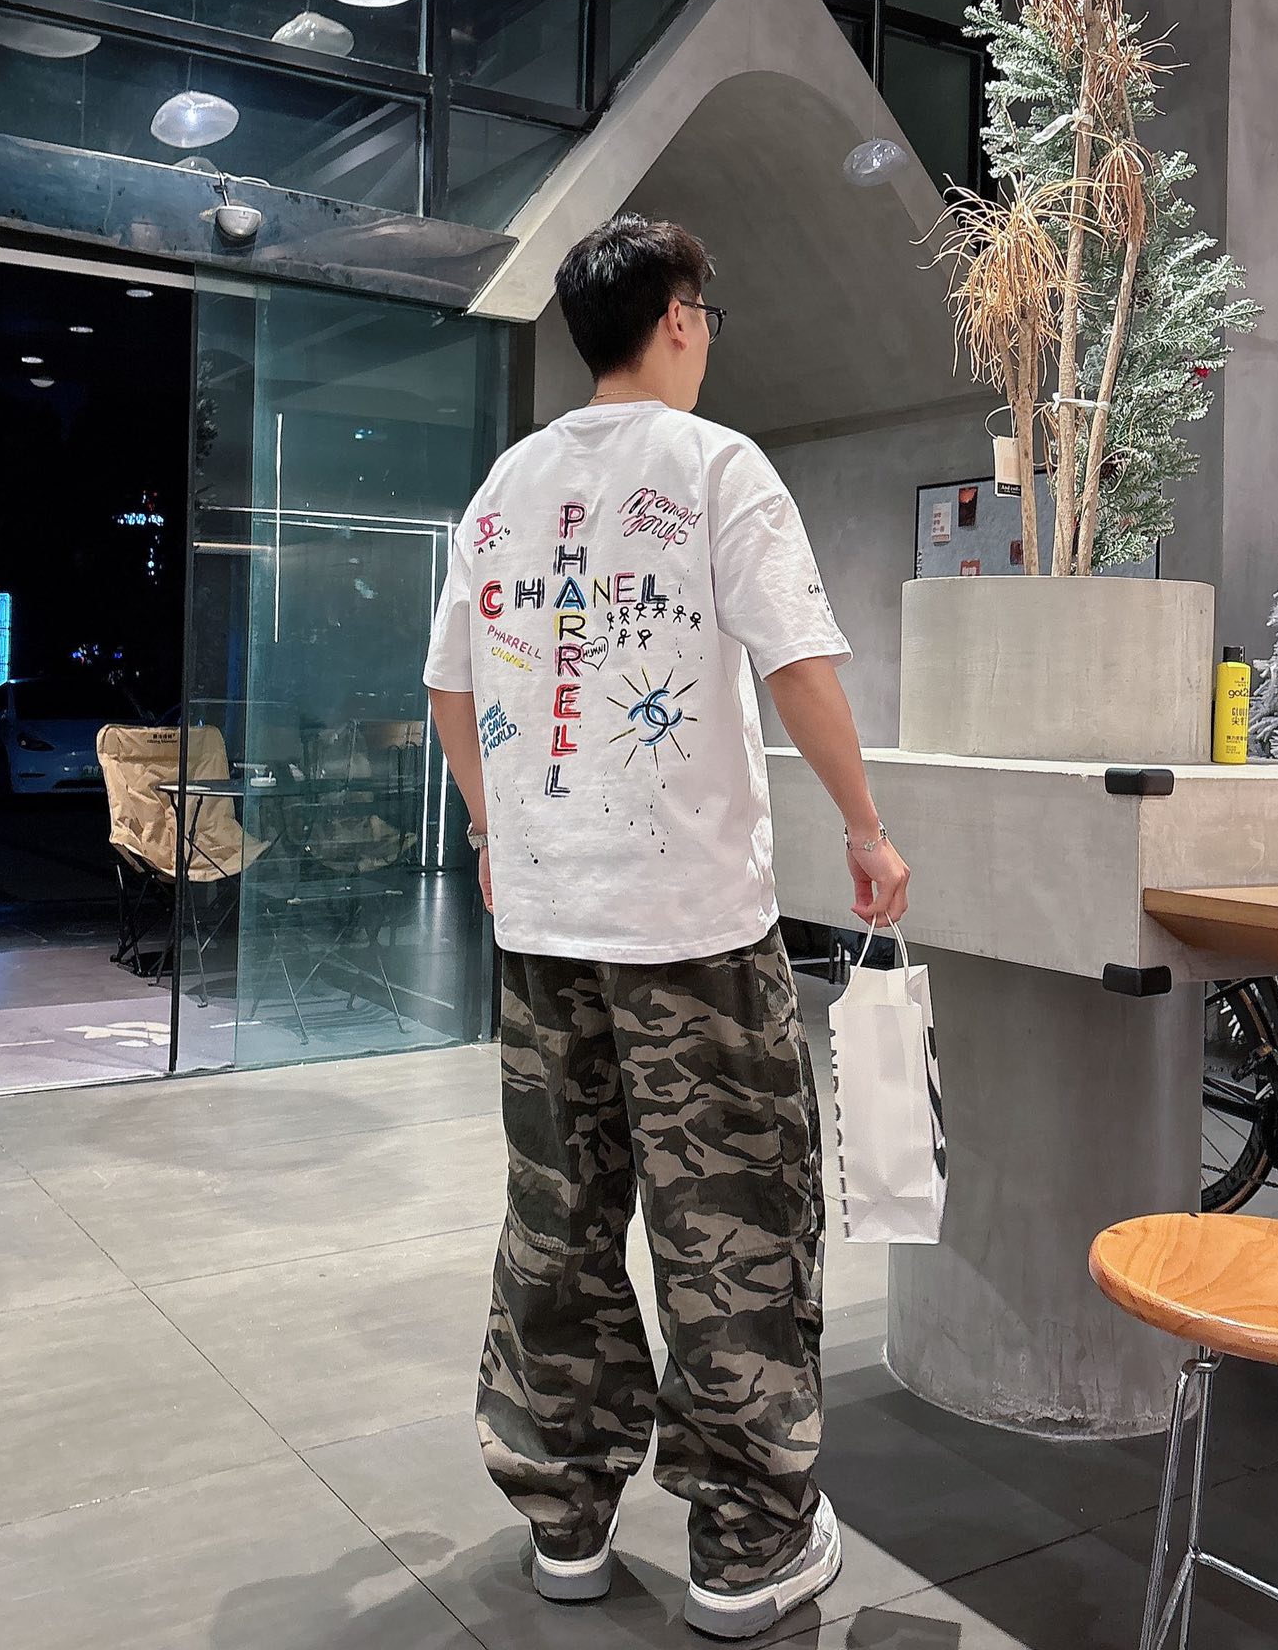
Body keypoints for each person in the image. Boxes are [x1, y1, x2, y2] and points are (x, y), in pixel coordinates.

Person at [424, 213, 909, 1641]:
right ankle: (748, 1552)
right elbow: (798, 662)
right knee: (734, 1228)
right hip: (692, 930)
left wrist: (491, 832)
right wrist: (865, 829)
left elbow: (451, 687)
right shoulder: (716, 467)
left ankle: (564, 1523)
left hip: (545, 930)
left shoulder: (506, 487)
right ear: (681, 318)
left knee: (558, 1222)